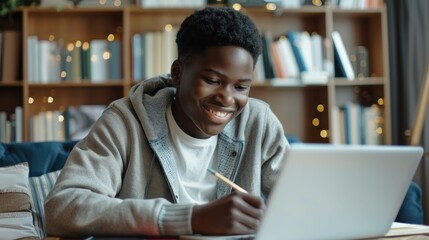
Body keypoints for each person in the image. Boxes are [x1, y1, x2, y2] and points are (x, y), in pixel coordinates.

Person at [45, 6, 289, 237]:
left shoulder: (260, 123)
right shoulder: (124, 121)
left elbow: (303, 204)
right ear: (178, 73)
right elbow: (63, 207)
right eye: (212, 80)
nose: (227, 98)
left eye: (240, 87)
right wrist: (190, 218)